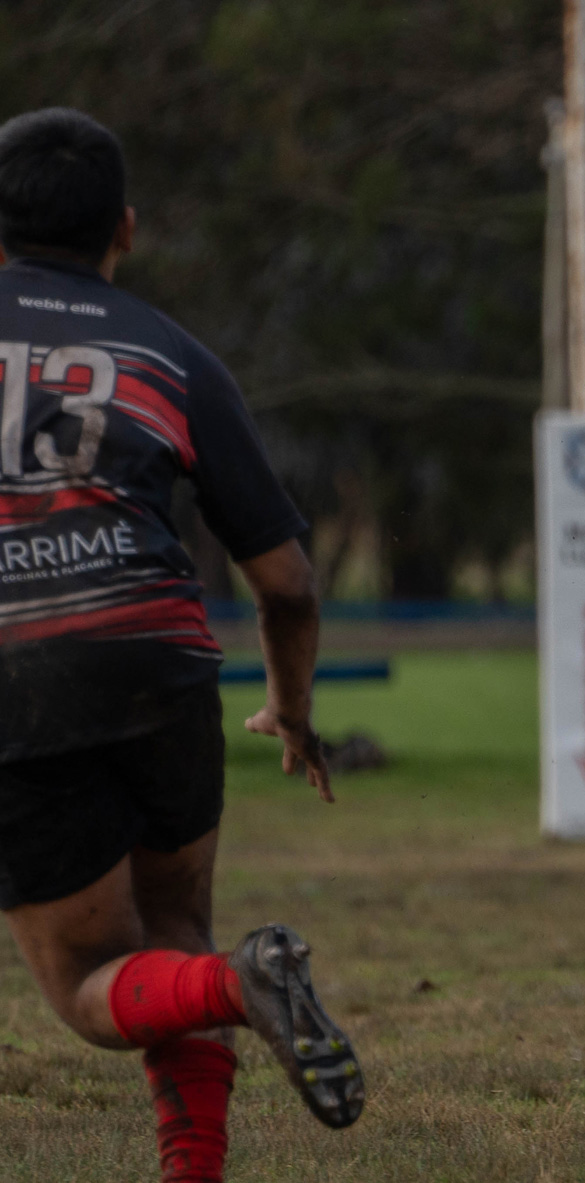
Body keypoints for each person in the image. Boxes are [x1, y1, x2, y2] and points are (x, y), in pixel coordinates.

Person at [0, 108, 364, 1183]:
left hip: (21, 676)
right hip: (162, 662)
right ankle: (193, 1163)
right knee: (172, 932)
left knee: (89, 984)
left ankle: (237, 990)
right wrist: (292, 713)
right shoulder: (170, 353)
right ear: (126, 227)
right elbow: (288, 583)